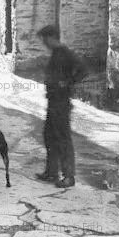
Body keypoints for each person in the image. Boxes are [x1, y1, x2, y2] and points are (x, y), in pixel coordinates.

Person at [36, 25, 87, 188]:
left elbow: (83, 70)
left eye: (45, 39)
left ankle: (69, 176)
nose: (44, 43)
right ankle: (51, 172)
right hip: (53, 102)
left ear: (52, 37)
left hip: (61, 103)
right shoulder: (56, 54)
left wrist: (68, 83)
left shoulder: (65, 53)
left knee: (63, 139)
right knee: (49, 136)